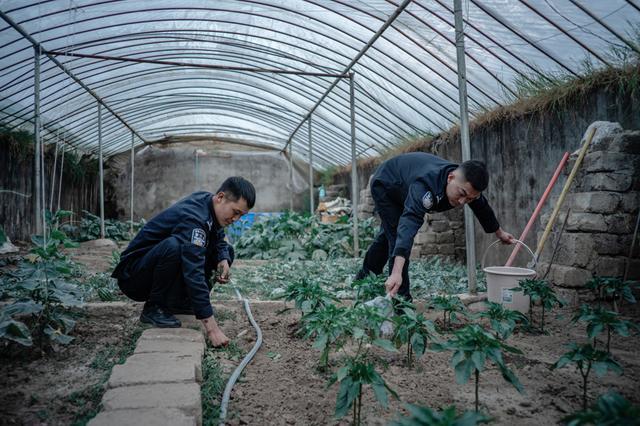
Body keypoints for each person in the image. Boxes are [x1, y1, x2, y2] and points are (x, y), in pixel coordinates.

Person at [112, 176, 255, 347]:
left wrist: (223, 259)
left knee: (225, 251)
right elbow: (193, 270)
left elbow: (217, 236)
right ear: (220, 197)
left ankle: (180, 303)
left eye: (241, 215)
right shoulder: (194, 218)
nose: (235, 219)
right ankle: (153, 307)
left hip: (153, 268)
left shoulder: (208, 203)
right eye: (235, 212)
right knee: (174, 247)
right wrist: (212, 329)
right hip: (134, 276)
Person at [355, 152, 514, 302]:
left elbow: (482, 208)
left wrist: (499, 233)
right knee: (396, 235)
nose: (462, 202)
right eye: (462, 194)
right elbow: (408, 225)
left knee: (387, 236)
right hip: (386, 184)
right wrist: (396, 273)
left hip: (405, 182)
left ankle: (364, 278)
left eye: (469, 199)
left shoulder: (466, 186)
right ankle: (401, 304)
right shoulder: (426, 186)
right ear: (450, 177)